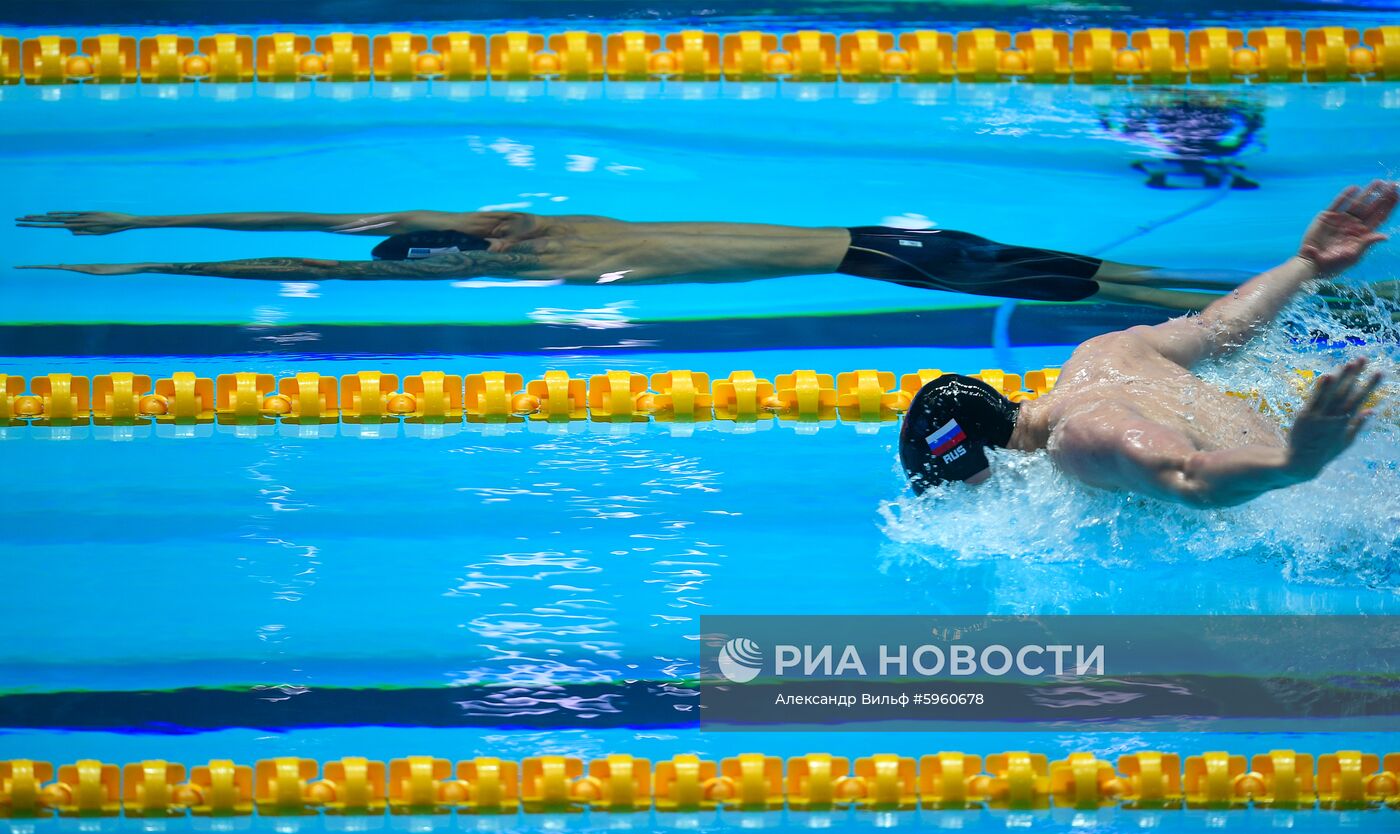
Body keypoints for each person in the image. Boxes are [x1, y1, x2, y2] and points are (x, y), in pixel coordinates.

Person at [898, 180, 1395, 508]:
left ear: (984, 462)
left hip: (1319, 515)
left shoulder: (1081, 439)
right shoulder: (1103, 354)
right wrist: (1305, 264)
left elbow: (1192, 478)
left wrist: (1293, 465)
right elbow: (1219, 327)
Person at [17, 207, 1269, 311]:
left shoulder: (521, 259)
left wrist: (143, 264)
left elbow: (331, 258)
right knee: (1091, 280)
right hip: (882, 244)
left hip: (880, 267)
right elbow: (330, 241)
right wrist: (140, 238)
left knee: (1088, 289)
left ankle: (1273, 302)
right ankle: (1261, 296)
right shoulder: (524, 237)